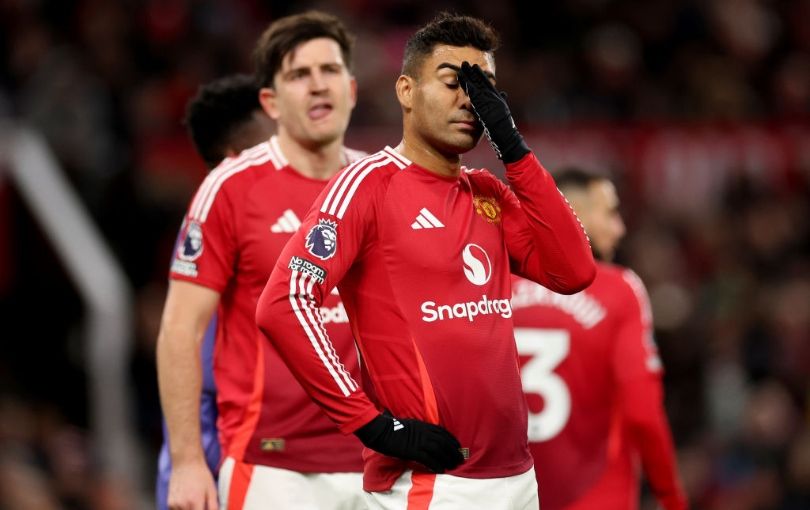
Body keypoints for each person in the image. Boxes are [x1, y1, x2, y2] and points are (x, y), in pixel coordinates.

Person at [256, 12, 596, 510]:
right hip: (429, 484)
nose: (471, 101)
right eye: (454, 82)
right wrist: (371, 423)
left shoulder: (488, 193)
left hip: (518, 476)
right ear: (406, 91)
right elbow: (284, 303)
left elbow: (574, 271)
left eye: (484, 89)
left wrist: (514, 148)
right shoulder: (367, 186)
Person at [156, 11, 367, 510]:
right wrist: (187, 462)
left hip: (380, 458)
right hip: (271, 465)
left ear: (352, 89)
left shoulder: (379, 184)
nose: (318, 86)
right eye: (299, 75)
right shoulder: (228, 188)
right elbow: (179, 329)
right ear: (270, 101)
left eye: (330, 71)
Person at [510, 168, 687, 510]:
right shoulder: (619, 291)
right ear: (572, 212)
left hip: (507, 496)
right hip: (597, 496)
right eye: (610, 212)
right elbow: (643, 413)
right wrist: (671, 496)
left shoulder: (493, 285)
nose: (619, 228)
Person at [155, 74, 274, 510]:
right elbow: (178, 338)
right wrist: (189, 461)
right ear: (234, 156)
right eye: (272, 136)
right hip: (213, 431)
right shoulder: (211, 226)